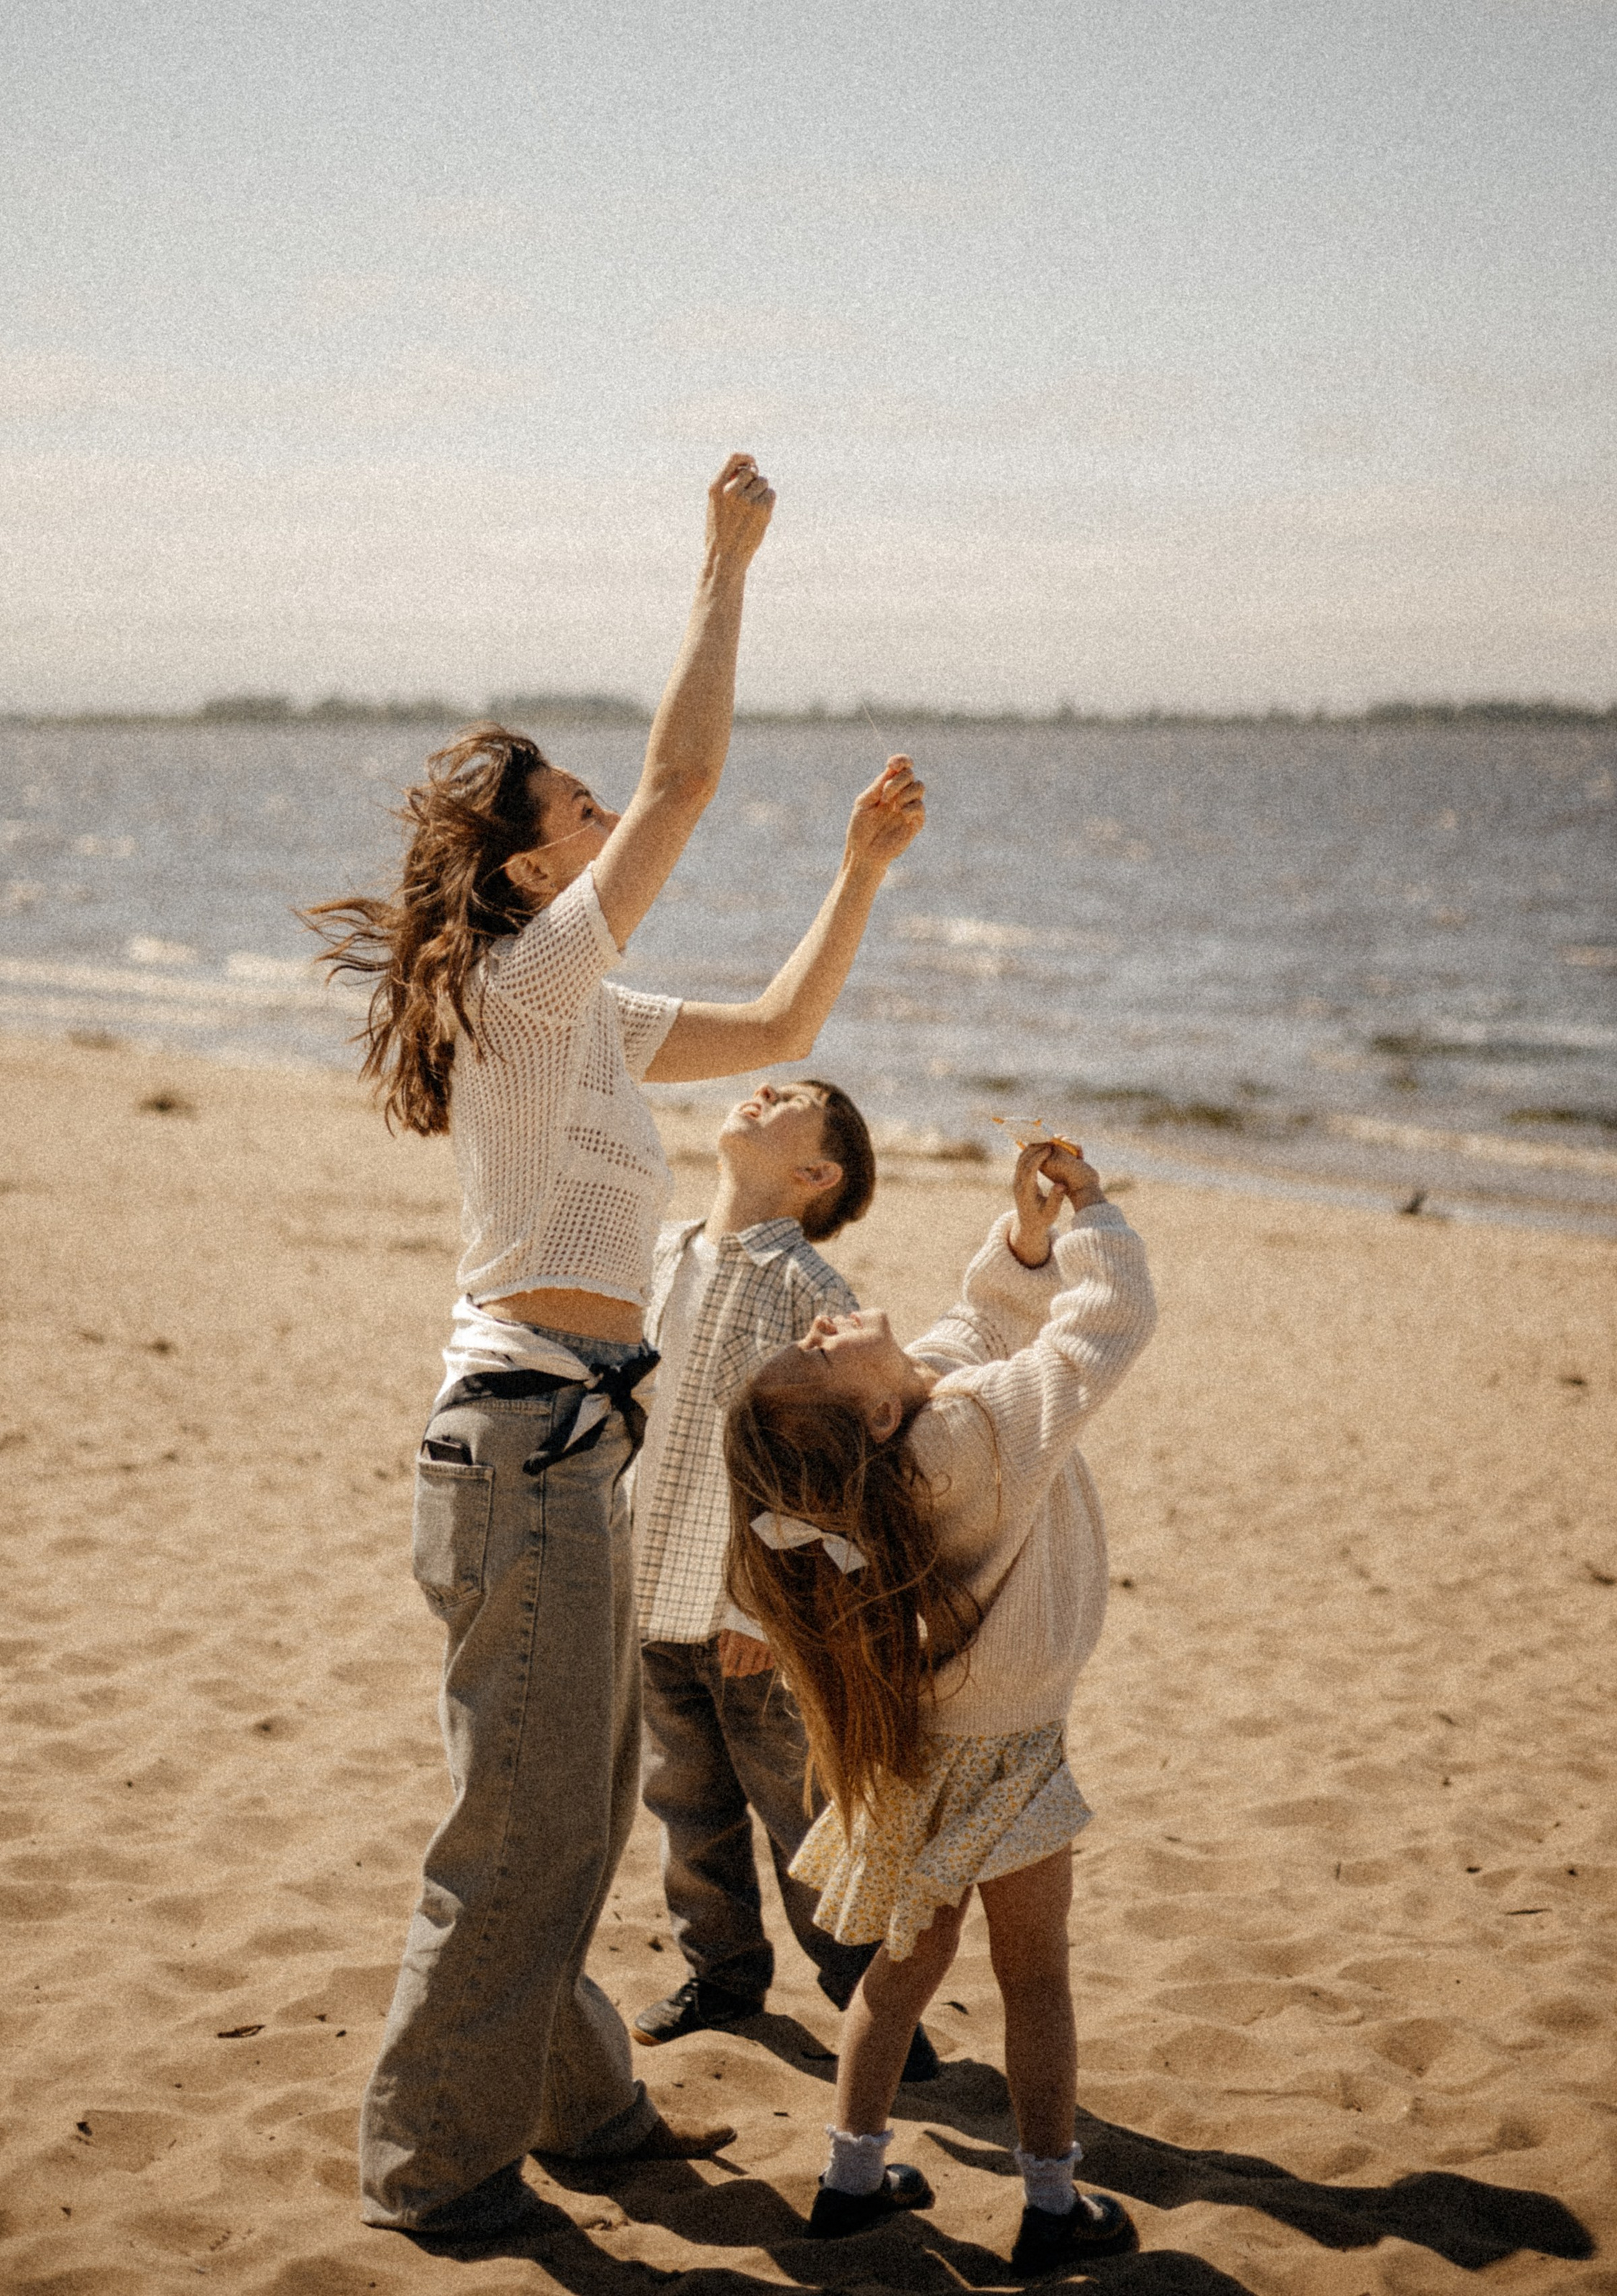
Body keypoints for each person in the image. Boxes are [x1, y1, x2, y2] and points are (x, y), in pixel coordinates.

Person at [306, 454, 927, 2239]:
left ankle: (579, 2111)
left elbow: (789, 1019)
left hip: (556, 1450)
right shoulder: (520, 986)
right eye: (575, 819)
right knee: (522, 1833)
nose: (605, 830)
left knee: (560, 1812)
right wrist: (722, 565)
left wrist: (857, 871)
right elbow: (686, 774)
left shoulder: (575, 1014)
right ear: (524, 868)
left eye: (593, 814)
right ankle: (432, 2166)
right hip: (521, 1449)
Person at [723, 1139, 1157, 2274]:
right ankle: (1054, 2203)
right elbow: (1096, 1335)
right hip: (1011, 1754)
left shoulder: (915, 1442)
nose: (818, 1327)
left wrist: (1022, 1240)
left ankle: (852, 2178)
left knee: (903, 1970)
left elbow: (972, 1340)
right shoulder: (970, 1438)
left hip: (931, 1750)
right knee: (1037, 1977)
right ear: (868, 1420)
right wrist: (1093, 1221)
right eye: (813, 1354)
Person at [629, 1076, 934, 2085]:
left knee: (798, 1814)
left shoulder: (811, 1291)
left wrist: (762, 1603)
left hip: (746, 1611)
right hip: (647, 1586)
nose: (765, 1088)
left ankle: (868, 1998)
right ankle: (720, 1976)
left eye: (797, 1096)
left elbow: (837, 1464)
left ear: (816, 1175)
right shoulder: (663, 1252)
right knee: (685, 1804)